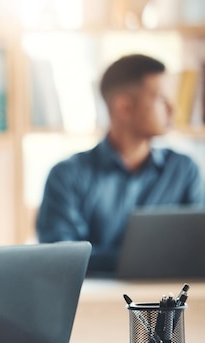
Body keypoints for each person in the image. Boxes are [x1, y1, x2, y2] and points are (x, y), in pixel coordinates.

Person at [36, 54, 205, 276]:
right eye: (161, 99)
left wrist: (113, 258)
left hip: (170, 300)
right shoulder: (67, 176)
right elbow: (60, 258)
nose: (172, 109)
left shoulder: (183, 171)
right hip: (94, 303)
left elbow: (197, 249)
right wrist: (143, 259)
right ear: (124, 107)